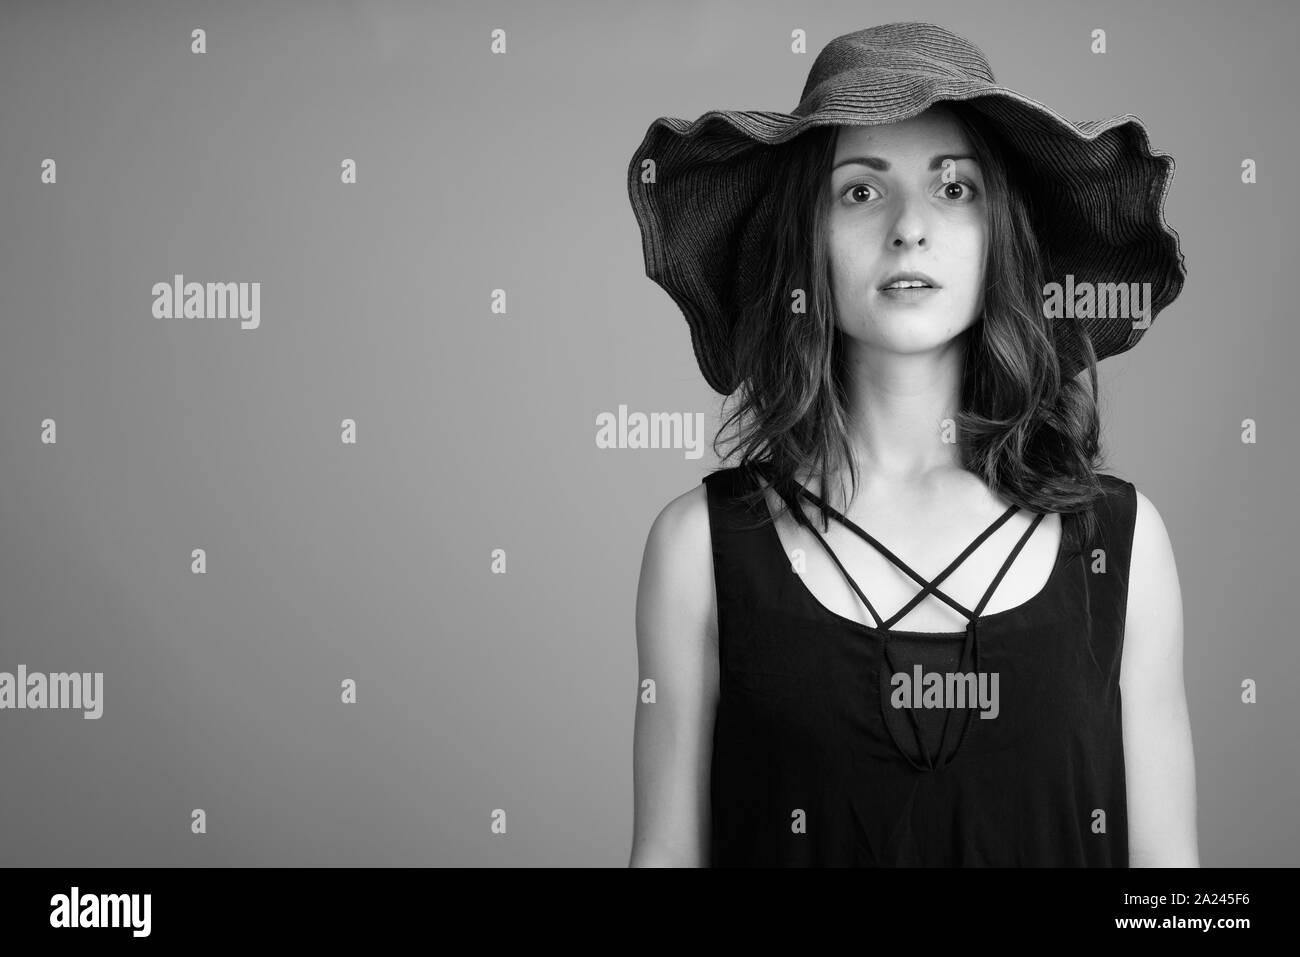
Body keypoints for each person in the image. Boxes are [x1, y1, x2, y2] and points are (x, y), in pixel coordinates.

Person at [626, 22, 1197, 866]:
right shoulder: (696, 551)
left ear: (1001, 231)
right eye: (860, 191)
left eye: (955, 188)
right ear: (805, 241)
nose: (909, 228)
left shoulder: (1124, 543)